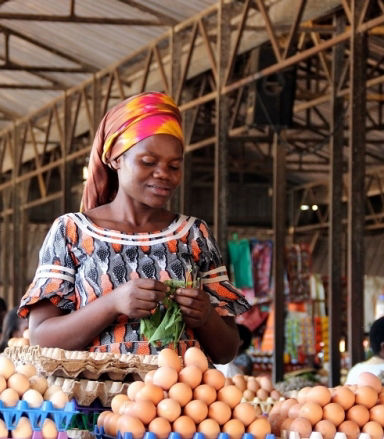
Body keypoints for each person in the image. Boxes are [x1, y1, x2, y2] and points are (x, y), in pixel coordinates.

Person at [18, 92, 250, 363]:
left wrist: (207, 316)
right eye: (148, 162)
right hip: (98, 401)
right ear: (115, 159)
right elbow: (41, 338)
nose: (163, 173)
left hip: (176, 401)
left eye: (174, 165)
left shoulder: (194, 234)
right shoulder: (72, 231)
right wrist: (112, 304)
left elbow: (227, 351)